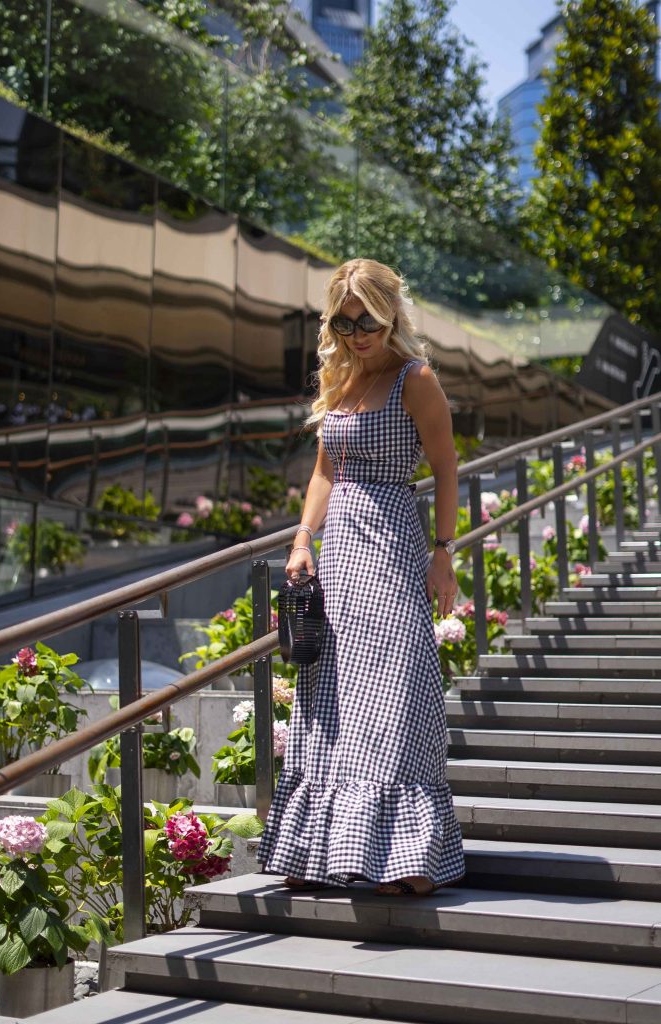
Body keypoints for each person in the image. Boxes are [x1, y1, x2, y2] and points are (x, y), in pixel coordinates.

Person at [256, 258, 466, 896]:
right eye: (344, 324)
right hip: (342, 552)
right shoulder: (342, 381)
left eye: (367, 321)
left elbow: (447, 466)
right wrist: (302, 539)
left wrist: (444, 551)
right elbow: (324, 472)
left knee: (396, 689)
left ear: (391, 314)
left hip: (395, 544)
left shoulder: (415, 379)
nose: (357, 335)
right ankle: (317, 848)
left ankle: (407, 857)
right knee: (332, 692)